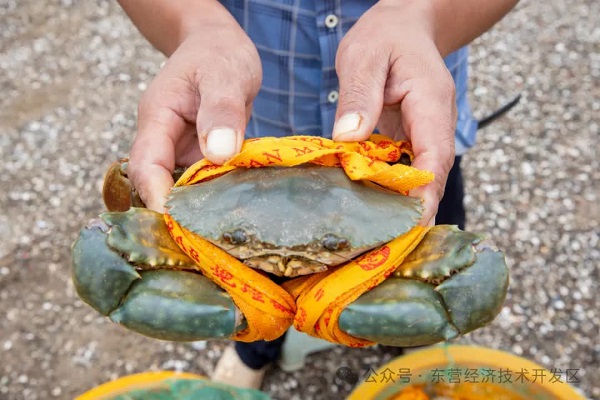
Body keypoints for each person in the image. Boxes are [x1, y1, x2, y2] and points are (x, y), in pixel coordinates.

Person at [117, 0, 518, 389]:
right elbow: (108, 239)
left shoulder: (406, 191)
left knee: (447, 261)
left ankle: (417, 350)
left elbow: (479, 272)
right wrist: (194, 24)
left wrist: (426, 15)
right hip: (234, 138)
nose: (291, 264)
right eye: (242, 238)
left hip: (404, 137)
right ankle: (255, 350)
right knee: (248, 301)